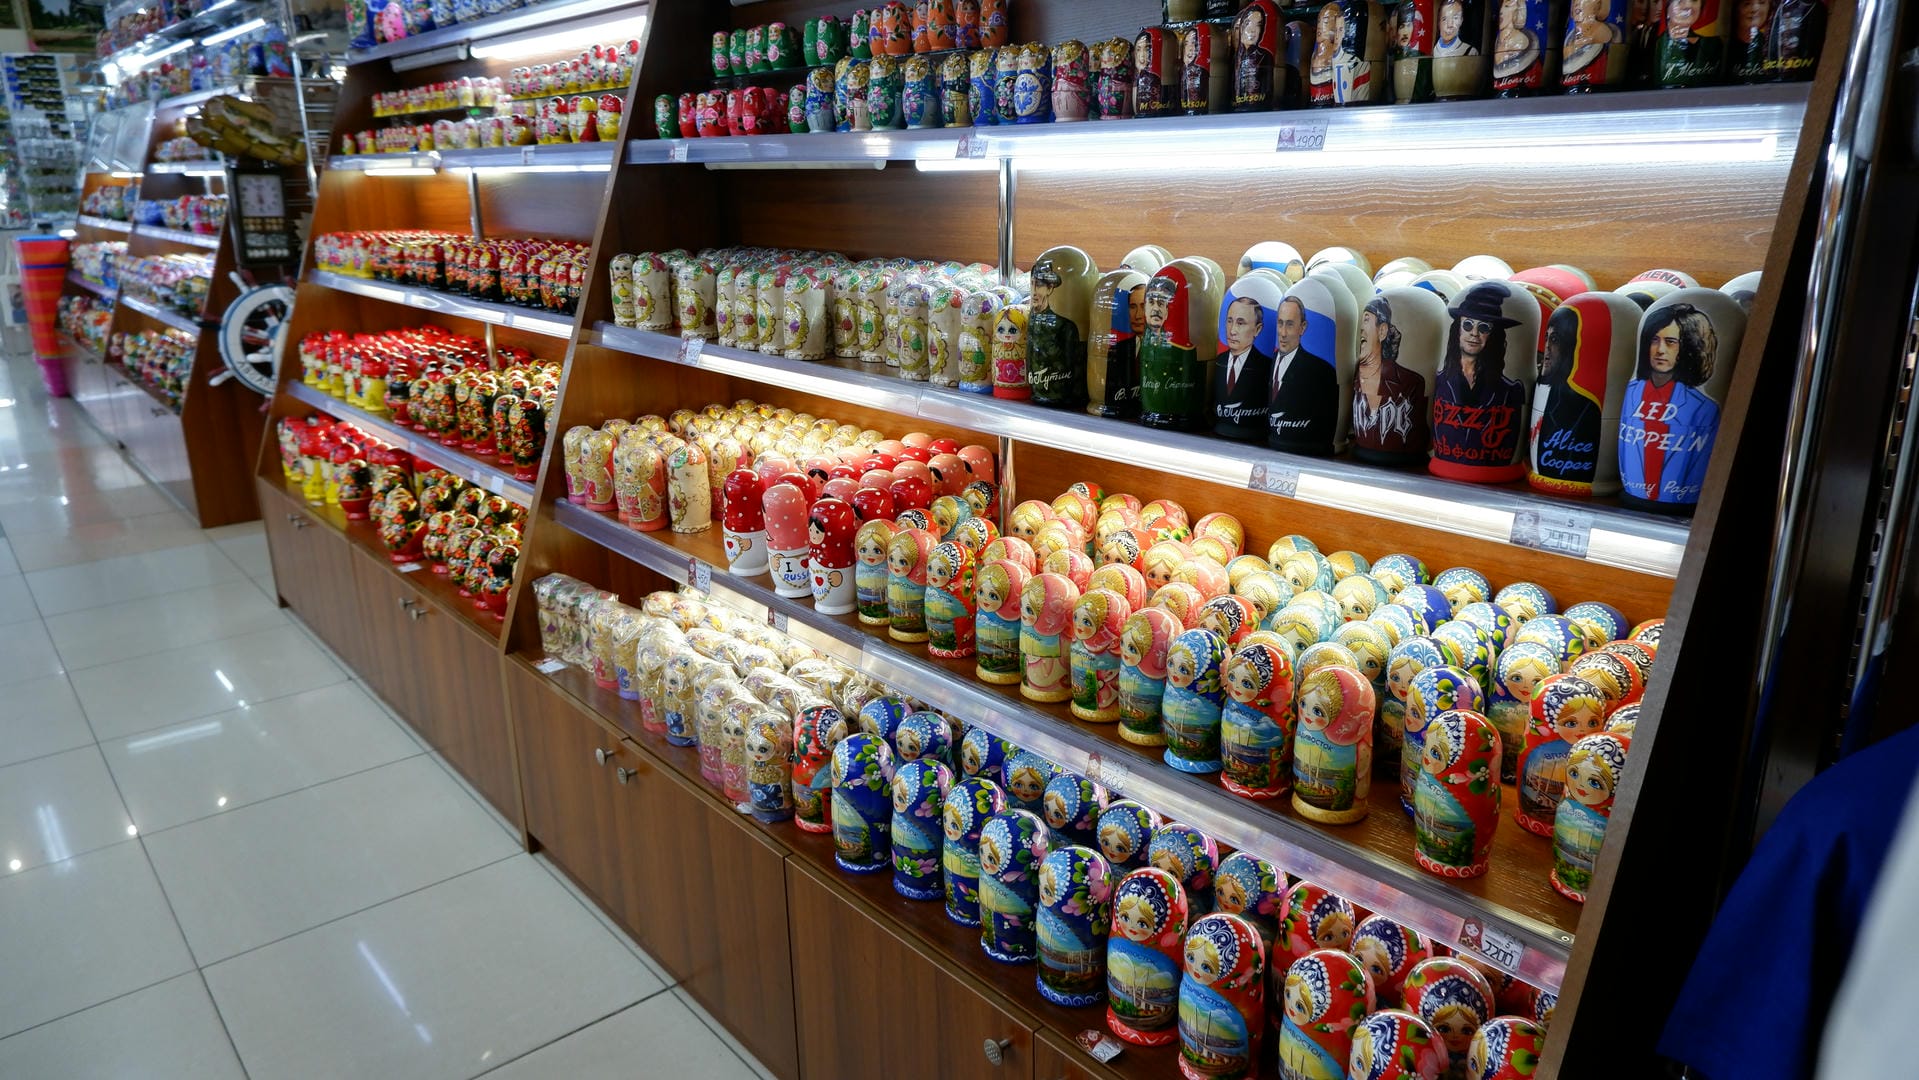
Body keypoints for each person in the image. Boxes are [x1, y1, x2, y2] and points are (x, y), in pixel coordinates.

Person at [1618, 303, 1719, 505]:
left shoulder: (1703, 408)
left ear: (1688, 347)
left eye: (1671, 342)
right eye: (1654, 340)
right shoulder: (1631, 394)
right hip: (1632, 496)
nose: (1660, 350)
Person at [1430, 282, 1526, 472]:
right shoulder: (1441, 381)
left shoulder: (1510, 391)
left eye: (1484, 328)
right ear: (1457, 330)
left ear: (1493, 336)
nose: (1474, 333)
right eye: (1467, 325)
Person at [1530, 303, 1603, 486]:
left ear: (1569, 347)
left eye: (1554, 340)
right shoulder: (1530, 391)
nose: (1547, 347)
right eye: (1546, 338)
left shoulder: (1586, 407)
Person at [1352, 296, 1428, 457]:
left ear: (1382, 331)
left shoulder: (1410, 382)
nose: (1361, 328)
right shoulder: (1354, 376)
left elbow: (1419, 437)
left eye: (1367, 320)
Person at [1266, 296, 1338, 455]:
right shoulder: (1269, 362)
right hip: (1273, 448)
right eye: (1280, 323)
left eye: (1290, 325)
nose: (1283, 333)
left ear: (1303, 327)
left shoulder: (1320, 370)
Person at [1213, 295, 1273, 441]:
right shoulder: (1219, 360)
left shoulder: (1266, 366)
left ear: (1257, 330)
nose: (1232, 330)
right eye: (1229, 321)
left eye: (1240, 323)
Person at [1234, 4, 1274, 106]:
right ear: (1241, 27)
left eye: (1258, 25)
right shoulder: (1234, 58)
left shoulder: (1265, 56)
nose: (1253, 30)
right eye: (1248, 23)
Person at [1493, 0, 1539, 79]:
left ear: (1518, 10)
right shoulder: (1499, 40)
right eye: (1501, 7)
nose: (1501, 11)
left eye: (1507, 6)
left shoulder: (1521, 40)